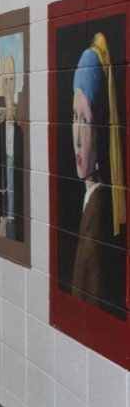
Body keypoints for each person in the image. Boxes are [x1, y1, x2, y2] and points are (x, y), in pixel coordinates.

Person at [69, 33, 126, 316]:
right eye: (74, 117)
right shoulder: (88, 201)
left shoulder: (100, 210)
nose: (77, 138)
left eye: (86, 120)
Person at [0, 56, 24, 240]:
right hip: (5, 202)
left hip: (18, 202)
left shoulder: (20, 131)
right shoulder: (0, 129)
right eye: (5, 79)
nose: (8, 83)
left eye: (11, 78)